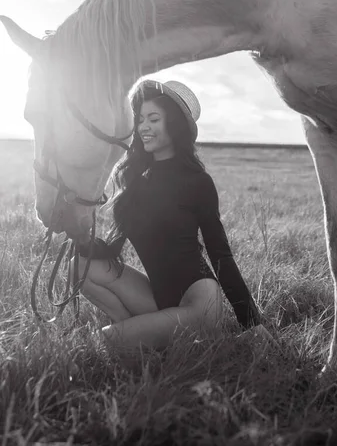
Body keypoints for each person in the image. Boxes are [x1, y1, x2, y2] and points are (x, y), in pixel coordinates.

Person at [76, 79, 266, 352]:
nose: (143, 127)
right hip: (158, 298)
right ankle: (131, 328)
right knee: (78, 265)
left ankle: (135, 337)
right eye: (140, 119)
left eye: (153, 119)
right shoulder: (134, 180)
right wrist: (81, 239)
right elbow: (113, 248)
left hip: (199, 303)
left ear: (174, 125)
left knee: (110, 340)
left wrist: (252, 322)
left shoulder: (197, 181)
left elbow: (221, 255)